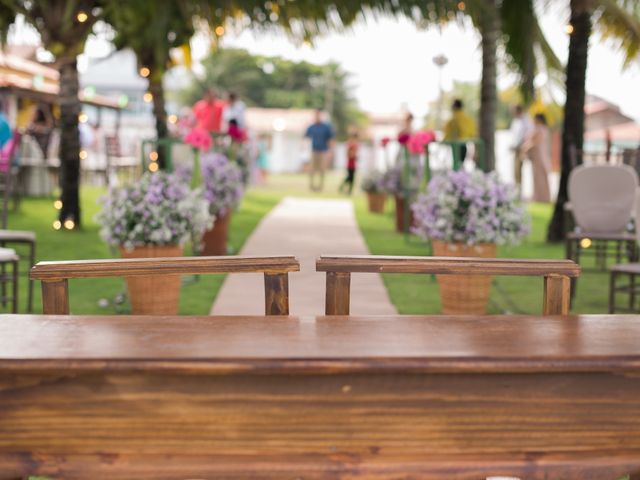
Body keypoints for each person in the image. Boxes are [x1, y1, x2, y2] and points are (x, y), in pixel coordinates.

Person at [522, 113, 551, 203]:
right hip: (540, 157)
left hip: (539, 157)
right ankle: (541, 197)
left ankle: (540, 197)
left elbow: (535, 142)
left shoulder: (539, 129)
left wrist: (525, 148)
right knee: (539, 177)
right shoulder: (544, 129)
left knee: (539, 177)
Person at [304, 109, 334, 192]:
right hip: (313, 150)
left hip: (323, 151)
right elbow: (306, 138)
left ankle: (320, 187)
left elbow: (330, 139)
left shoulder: (326, 127)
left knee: (322, 170)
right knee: (312, 169)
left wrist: (330, 151)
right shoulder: (311, 127)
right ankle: (312, 187)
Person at [509, 105, 533, 189]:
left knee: (518, 168)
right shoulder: (516, 121)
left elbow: (528, 134)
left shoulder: (526, 120)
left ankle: (519, 188)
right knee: (516, 169)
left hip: (522, 147)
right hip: (516, 147)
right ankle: (517, 186)